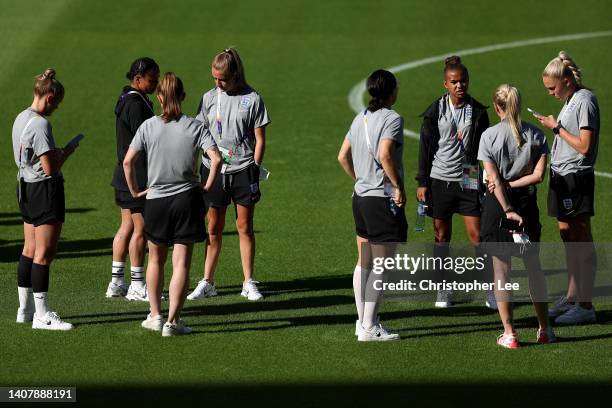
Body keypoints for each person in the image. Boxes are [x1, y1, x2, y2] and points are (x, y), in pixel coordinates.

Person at [123, 72, 221, 336]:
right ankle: (173, 322)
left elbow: (128, 161)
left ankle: (155, 315)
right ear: (183, 96)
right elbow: (216, 158)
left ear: (159, 97)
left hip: (155, 200)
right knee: (181, 264)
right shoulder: (195, 126)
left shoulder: (148, 126)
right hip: (187, 199)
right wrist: (208, 185)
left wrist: (135, 190)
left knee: (155, 260)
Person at [187, 48, 270, 302]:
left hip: (243, 169)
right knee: (213, 227)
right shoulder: (209, 97)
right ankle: (208, 281)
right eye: (214, 78)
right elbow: (200, 133)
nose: (218, 83)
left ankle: (248, 282)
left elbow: (259, 140)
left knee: (244, 227)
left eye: (222, 78)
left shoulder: (253, 98)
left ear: (235, 74)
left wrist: (254, 167)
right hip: (213, 170)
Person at [479, 84, 555, 348]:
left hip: (498, 207)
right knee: (534, 269)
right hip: (527, 205)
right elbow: (538, 176)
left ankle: (510, 333)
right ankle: (545, 329)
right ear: (518, 106)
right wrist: (514, 190)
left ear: (497, 107)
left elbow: (494, 181)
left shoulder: (489, 136)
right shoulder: (536, 135)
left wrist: (506, 205)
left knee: (501, 272)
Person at [415, 56, 493, 308]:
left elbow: (487, 148)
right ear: (445, 84)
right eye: (454, 82)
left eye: (463, 81)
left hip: (468, 177)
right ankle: (443, 289)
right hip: (439, 179)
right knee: (441, 237)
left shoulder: (478, 112)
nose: (460, 86)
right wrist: (422, 182)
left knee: (477, 236)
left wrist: (488, 176)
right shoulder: (435, 110)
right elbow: (425, 148)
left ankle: (490, 289)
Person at [338, 69, 406, 341]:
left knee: (363, 262)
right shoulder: (392, 118)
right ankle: (369, 327)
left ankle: (363, 321)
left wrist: (361, 179)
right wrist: (397, 185)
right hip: (381, 200)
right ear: (391, 91)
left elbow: (342, 156)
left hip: (361, 198)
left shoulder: (360, 118)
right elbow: (385, 154)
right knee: (382, 265)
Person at [536, 51, 599, 324]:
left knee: (581, 239)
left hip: (576, 178)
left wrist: (555, 128)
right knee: (567, 235)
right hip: (561, 177)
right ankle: (573, 297)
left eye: (552, 87)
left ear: (566, 80)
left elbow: (584, 146)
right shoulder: (571, 99)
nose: (550, 93)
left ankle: (585, 305)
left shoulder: (585, 101)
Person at [12, 68, 77, 330]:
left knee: (28, 249)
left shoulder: (21, 117)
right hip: (44, 191)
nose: (56, 108)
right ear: (49, 97)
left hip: (25, 187)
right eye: (57, 103)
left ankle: (24, 309)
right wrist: (67, 152)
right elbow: (51, 168)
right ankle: (41, 315)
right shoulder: (41, 124)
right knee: (44, 253)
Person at [107, 57, 160, 301]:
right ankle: (138, 285)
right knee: (140, 229)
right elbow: (146, 141)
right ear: (138, 79)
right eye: (152, 79)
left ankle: (116, 282)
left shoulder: (127, 98)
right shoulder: (136, 105)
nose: (155, 83)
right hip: (136, 177)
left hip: (123, 175)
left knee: (126, 226)